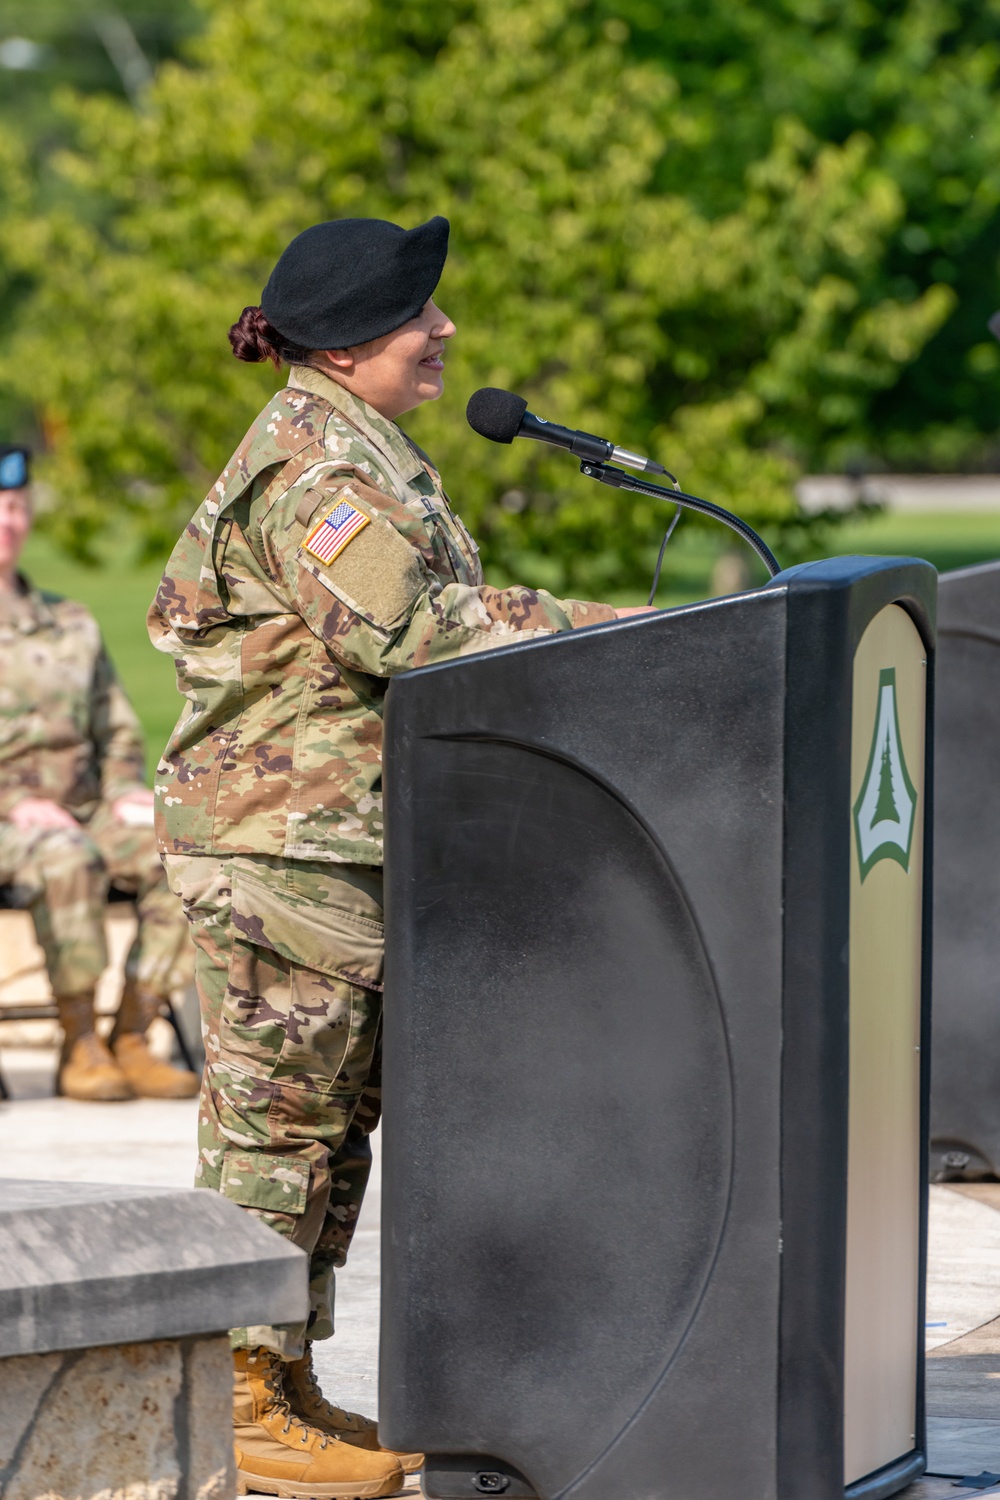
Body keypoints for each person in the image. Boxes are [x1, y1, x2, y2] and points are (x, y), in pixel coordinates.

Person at [149, 215, 650, 1500]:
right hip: (277, 853)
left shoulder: (357, 447)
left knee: (330, 1130)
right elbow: (417, 633)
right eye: (421, 315)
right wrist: (622, 625)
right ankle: (238, 1395)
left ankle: (283, 1379)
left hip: (338, 851)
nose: (444, 334)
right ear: (355, 338)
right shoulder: (310, 471)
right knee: (275, 1123)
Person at [0, 445, 198, 1102]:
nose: (7, 520)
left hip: (82, 812)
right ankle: (78, 1039)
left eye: (17, 507)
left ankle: (133, 1033)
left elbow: (114, 727)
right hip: (13, 826)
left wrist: (121, 793)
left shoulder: (71, 623)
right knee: (66, 856)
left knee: (182, 848)